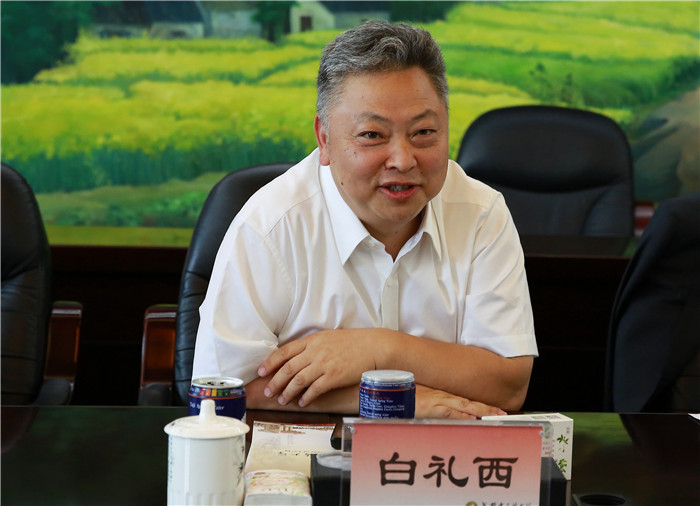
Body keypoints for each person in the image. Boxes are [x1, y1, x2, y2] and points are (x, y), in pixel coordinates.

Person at [192, 21, 538, 419]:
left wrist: (379, 350)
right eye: (373, 135)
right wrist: (400, 401)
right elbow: (221, 390)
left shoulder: (481, 213)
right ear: (324, 139)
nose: (403, 160)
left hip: (442, 455)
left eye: (424, 132)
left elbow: (509, 385)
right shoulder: (270, 226)